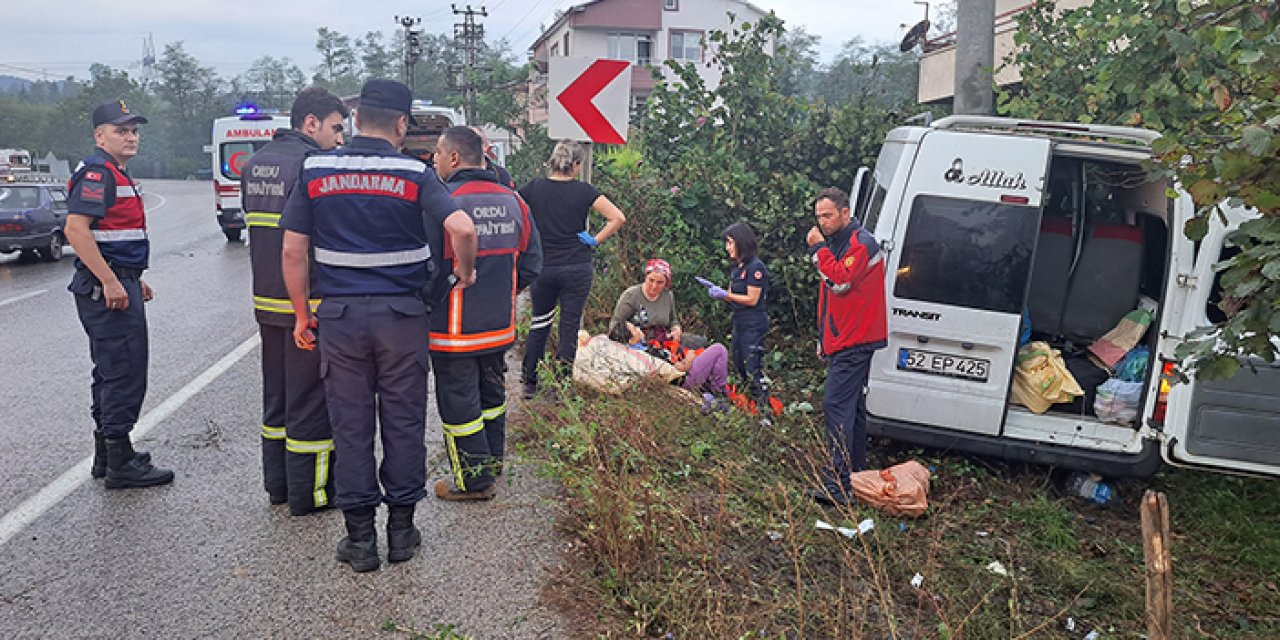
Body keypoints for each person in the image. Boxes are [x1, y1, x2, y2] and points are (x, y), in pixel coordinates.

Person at [280, 79, 477, 572]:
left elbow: (292, 249)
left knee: (351, 427)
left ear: (354, 118)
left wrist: (303, 315)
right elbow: (462, 228)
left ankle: (361, 541)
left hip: (342, 321)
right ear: (401, 124)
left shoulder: (316, 169)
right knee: (404, 422)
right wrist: (466, 271)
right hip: (402, 319)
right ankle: (403, 533)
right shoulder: (414, 172)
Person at [241, 87, 348, 515]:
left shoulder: (254, 163)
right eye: (335, 128)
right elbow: (307, 244)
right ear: (310, 123)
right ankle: (313, 493)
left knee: (278, 399)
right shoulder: (312, 167)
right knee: (311, 400)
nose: (340, 140)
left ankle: (279, 486)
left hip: (266, 301)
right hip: (306, 303)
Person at [64, 100, 174, 490]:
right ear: (99, 135)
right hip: (105, 289)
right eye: (120, 130)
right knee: (124, 372)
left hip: (116, 281)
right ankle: (121, 463)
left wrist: (129, 277)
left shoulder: (112, 171)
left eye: (133, 131)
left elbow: (111, 235)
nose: (130, 137)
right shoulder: (99, 173)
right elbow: (76, 230)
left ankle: (107, 454)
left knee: (110, 371)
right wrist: (111, 280)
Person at [429, 126, 542, 500]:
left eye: (439, 153)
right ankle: (492, 464)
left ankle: (473, 481)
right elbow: (532, 263)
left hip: (453, 329)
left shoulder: (443, 202)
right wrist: (505, 292)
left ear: (455, 158)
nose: (435, 160)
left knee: (459, 403)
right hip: (498, 326)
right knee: (491, 396)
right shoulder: (515, 202)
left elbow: (426, 264)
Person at [519, 140, 626, 399]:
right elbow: (618, 217)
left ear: (553, 161)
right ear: (576, 164)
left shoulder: (533, 188)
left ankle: (530, 382)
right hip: (577, 265)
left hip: (544, 266)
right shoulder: (584, 191)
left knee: (540, 322)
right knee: (568, 326)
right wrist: (595, 240)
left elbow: (514, 210)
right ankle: (560, 388)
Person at [805, 187, 887, 506]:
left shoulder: (861, 243)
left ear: (845, 212)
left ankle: (839, 485)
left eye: (827, 215)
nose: (822, 222)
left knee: (836, 406)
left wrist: (817, 250)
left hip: (857, 339)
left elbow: (840, 283)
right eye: (818, 217)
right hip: (845, 337)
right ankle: (855, 475)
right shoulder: (840, 243)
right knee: (852, 409)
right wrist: (824, 339)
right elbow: (831, 297)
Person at [609, 259, 730, 401]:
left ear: (666, 283)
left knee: (701, 342)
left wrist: (676, 328)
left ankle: (714, 387)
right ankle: (717, 391)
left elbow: (673, 320)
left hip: (665, 342)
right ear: (645, 277)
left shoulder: (668, 296)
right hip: (663, 359)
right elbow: (616, 327)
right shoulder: (631, 296)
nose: (654, 286)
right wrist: (689, 360)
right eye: (651, 280)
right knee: (718, 351)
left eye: (659, 283)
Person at [706, 222, 771, 418]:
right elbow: (733, 296)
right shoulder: (737, 269)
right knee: (740, 366)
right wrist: (719, 293)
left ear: (742, 242)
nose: (727, 247)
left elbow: (752, 299)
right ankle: (749, 407)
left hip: (753, 323)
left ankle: (765, 412)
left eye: (730, 243)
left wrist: (726, 294)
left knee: (752, 368)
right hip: (739, 322)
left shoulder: (755, 267)